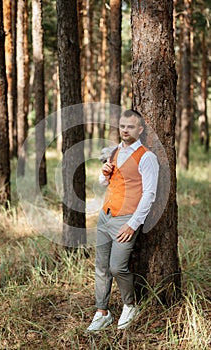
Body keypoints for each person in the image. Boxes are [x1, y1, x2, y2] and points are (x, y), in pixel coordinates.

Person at [87, 109, 159, 331]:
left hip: (126, 218)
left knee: (117, 267)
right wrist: (104, 172)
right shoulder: (115, 151)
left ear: (139, 129)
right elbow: (103, 182)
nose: (125, 130)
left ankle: (130, 305)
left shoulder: (147, 157)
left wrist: (132, 224)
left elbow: (149, 194)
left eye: (130, 126)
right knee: (101, 266)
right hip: (105, 216)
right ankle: (102, 311)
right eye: (122, 126)